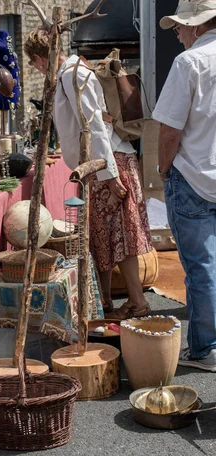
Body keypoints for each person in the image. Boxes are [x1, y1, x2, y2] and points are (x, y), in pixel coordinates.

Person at [23, 29, 152, 318]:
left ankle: (138, 303)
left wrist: (110, 174)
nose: (35, 69)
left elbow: (94, 124)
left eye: (33, 63)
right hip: (98, 163)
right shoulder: (68, 73)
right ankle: (104, 300)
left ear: (41, 59)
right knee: (101, 235)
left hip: (106, 161)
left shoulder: (72, 74)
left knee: (121, 234)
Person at [153, 0, 216, 372]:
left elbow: (169, 130)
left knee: (202, 268)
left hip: (193, 176)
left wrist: (163, 170)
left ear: (197, 26)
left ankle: (206, 350)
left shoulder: (189, 61)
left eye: (179, 26)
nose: (177, 33)